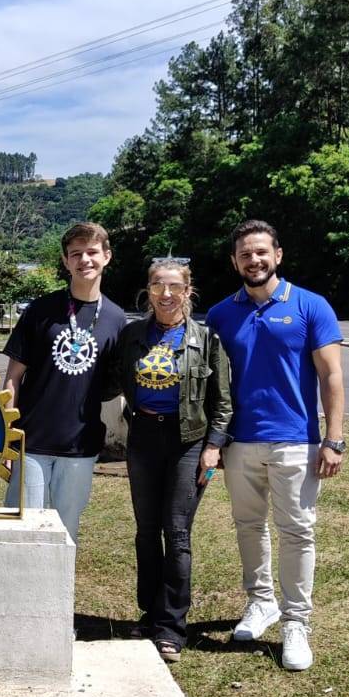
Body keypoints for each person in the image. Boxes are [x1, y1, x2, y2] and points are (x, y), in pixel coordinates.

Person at [206, 220, 345, 672]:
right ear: (235, 262)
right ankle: (260, 602)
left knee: (297, 531)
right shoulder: (221, 315)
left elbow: (331, 376)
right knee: (248, 526)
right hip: (240, 443)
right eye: (245, 254)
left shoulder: (310, 306)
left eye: (262, 252)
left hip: (296, 442)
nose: (254, 260)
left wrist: (334, 439)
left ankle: (296, 622)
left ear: (278, 255)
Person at [113, 257, 232, 663]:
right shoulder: (132, 336)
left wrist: (214, 446)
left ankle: (172, 627)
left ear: (188, 290)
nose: (166, 294)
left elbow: (223, 402)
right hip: (144, 437)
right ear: (148, 291)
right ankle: (149, 613)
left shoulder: (207, 339)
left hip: (189, 442)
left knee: (176, 532)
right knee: (146, 530)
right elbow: (111, 381)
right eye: (158, 286)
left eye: (174, 287)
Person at [3, 221, 124, 544]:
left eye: (92, 252)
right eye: (76, 254)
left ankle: (55, 596)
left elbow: (117, 383)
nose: (85, 260)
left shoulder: (116, 319)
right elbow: (13, 377)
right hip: (30, 442)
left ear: (107, 256)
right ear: (65, 261)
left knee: (65, 530)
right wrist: (7, 435)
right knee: (22, 528)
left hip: (80, 445)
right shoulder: (41, 310)